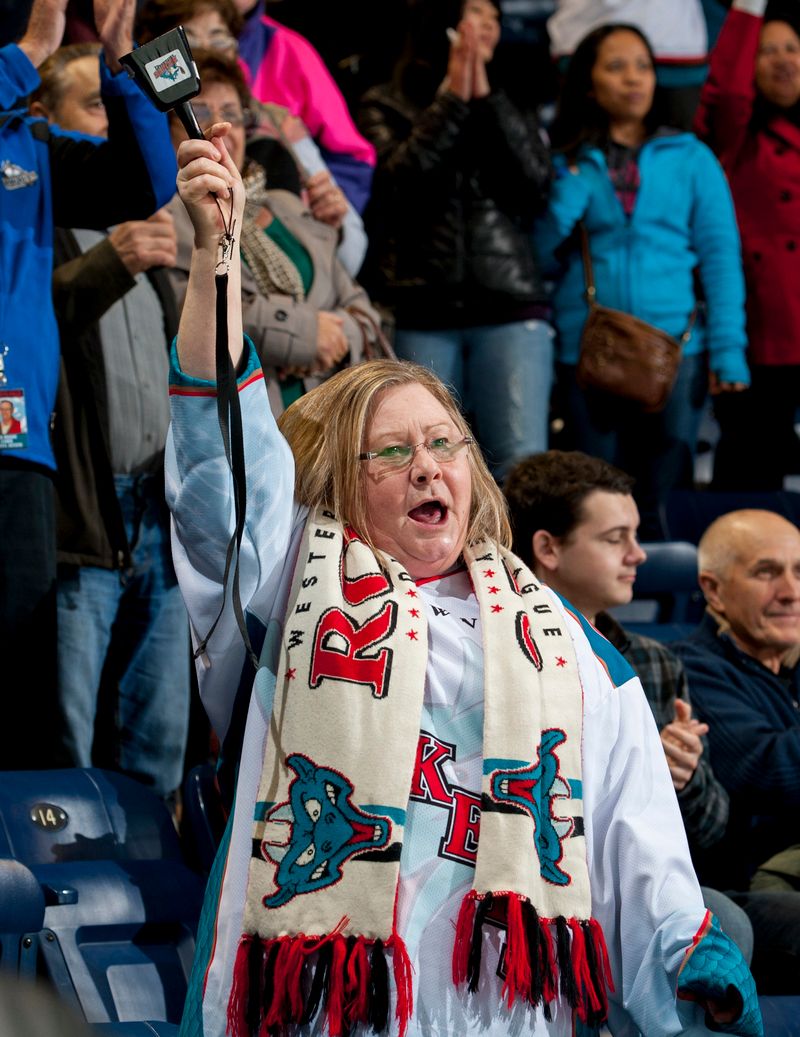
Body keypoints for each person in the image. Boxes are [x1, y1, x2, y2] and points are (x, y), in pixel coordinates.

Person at [165, 122, 761, 1036]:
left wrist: (688, 952)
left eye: (444, 444)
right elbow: (221, 469)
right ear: (335, 483)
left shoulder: (561, 636)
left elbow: (630, 824)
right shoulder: (287, 588)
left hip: (508, 1008)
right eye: (392, 451)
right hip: (329, 1006)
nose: (428, 467)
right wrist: (213, 255)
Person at [0, 0, 176, 770]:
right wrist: (30, 50)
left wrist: (119, 58)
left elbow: (141, 183)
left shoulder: (28, 142)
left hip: (19, 444)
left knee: (18, 686)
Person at [503, 449, 754, 958]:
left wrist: (680, 777)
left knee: (722, 922)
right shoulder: (496, 658)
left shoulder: (652, 662)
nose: (638, 555)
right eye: (616, 539)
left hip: (633, 890)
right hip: (530, 879)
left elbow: (710, 833)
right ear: (547, 548)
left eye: (636, 536)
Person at [535, 23, 748, 538]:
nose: (634, 78)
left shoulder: (692, 156)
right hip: (588, 351)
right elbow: (537, 258)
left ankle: (652, 615)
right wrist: (565, 200)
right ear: (589, 83)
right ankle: (594, 618)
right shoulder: (566, 161)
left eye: (643, 66)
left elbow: (720, 259)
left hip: (676, 352)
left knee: (656, 505)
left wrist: (729, 352)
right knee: (592, 508)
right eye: (616, 66)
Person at [358, 0, 554, 482]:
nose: (481, 28)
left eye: (491, 17)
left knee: (519, 463)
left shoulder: (513, 98)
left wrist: (485, 99)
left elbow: (535, 185)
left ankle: (514, 560)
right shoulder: (387, 101)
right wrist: (451, 96)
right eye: (471, 15)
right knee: (420, 462)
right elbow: (399, 182)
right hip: (422, 305)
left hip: (508, 303)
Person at [166, 51, 379, 417]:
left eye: (231, 113)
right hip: (253, 425)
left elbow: (362, 309)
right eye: (200, 112)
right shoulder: (169, 217)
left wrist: (339, 337)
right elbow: (189, 314)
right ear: (170, 127)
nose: (219, 127)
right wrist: (306, 336)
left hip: (331, 421)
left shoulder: (287, 206)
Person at [135, 0, 368, 277]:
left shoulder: (278, 140)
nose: (205, 50)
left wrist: (333, 228)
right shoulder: (153, 186)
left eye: (219, 38)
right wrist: (312, 322)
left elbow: (344, 270)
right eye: (188, 39)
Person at [672, 509, 800, 991]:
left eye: (799, 571)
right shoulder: (692, 669)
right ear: (713, 590)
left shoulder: (791, 664)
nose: (790, 591)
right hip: (744, 887)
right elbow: (769, 772)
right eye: (767, 572)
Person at [694, 0, 800, 489]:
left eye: (793, 48)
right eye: (768, 50)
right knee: (753, 474)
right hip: (761, 336)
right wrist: (747, 9)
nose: (783, 59)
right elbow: (728, 94)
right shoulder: (736, 137)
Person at [231, 0, 375, 214]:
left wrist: (326, 211)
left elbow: (353, 160)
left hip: (291, 218)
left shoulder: (288, 49)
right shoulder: (168, 49)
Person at [547, 0, 711, 129]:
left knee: (679, 155)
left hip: (676, 48)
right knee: (580, 149)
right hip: (586, 34)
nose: (633, 78)